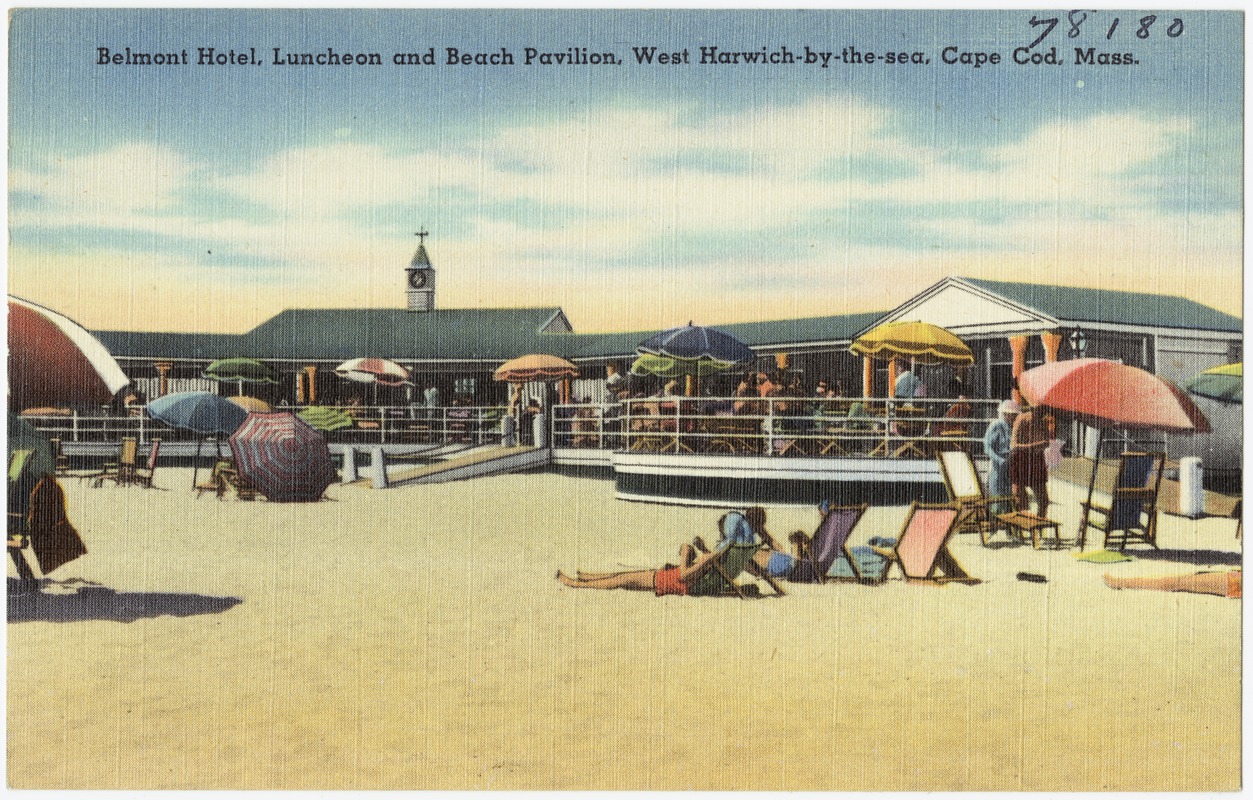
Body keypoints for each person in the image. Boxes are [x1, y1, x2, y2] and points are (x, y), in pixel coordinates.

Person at [556, 508, 766, 595]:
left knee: (623, 579)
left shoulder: (712, 558)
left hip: (671, 581)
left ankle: (575, 583)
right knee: (626, 576)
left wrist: (686, 554)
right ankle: (587, 577)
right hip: (673, 577)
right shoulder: (727, 555)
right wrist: (700, 552)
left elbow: (685, 575)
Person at [1010, 401, 1051, 516]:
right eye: (1039, 410)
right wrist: (1033, 446)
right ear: (1033, 409)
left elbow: (1047, 442)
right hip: (1020, 460)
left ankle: (1039, 528)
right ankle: (1019, 528)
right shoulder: (1021, 419)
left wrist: (1042, 444)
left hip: (1036, 461)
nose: (1042, 414)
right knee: (1021, 500)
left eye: (1044, 411)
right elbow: (1014, 445)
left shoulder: (1042, 423)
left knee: (1044, 501)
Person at [1104, 569, 1241, 599]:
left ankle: (1120, 582)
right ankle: (1120, 582)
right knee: (1179, 580)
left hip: (1235, 582)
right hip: (1236, 579)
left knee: (1176, 582)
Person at [983, 399, 1019, 504]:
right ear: (1005, 414)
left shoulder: (1014, 427)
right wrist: (999, 460)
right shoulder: (996, 426)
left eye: (1015, 415)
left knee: (1009, 496)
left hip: (1011, 464)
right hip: (998, 465)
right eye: (1012, 415)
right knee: (997, 494)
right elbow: (987, 447)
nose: (1013, 417)